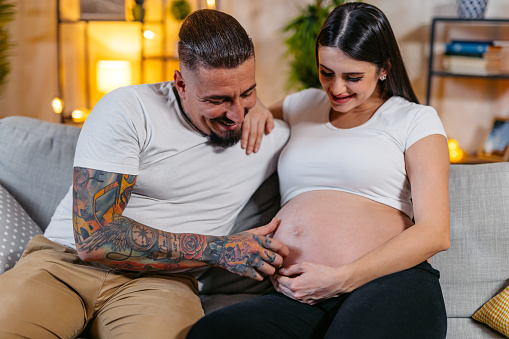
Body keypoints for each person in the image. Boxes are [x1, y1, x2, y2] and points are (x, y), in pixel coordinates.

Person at [0, 9, 290, 339]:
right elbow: (95, 238)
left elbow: (335, 122)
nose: (237, 114)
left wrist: (264, 106)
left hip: (163, 283)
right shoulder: (128, 109)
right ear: (180, 83)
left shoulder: (269, 135)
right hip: (63, 265)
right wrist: (222, 249)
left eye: (247, 92)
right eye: (219, 99)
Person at [187, 3, 450, 338]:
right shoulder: (302, 105)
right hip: (301, 297)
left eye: (353, 77)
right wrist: (257, 108)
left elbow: (435, 231)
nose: (337, 89)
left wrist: (340, 278)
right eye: (327, 72)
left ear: (384, 68)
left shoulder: (415, 119)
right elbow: (255, 109)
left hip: (389, 285)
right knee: (212, 332)